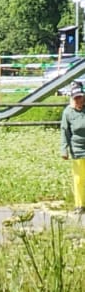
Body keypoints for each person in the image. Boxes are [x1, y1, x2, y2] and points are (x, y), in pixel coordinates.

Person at [60, 79, 85, 214]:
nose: (78, 100)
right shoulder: (68, 112)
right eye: (76, 98)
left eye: (80, 97)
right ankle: (80, 205)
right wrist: (64, 149)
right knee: (79, 179)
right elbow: (65, 131)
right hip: (77, 149)